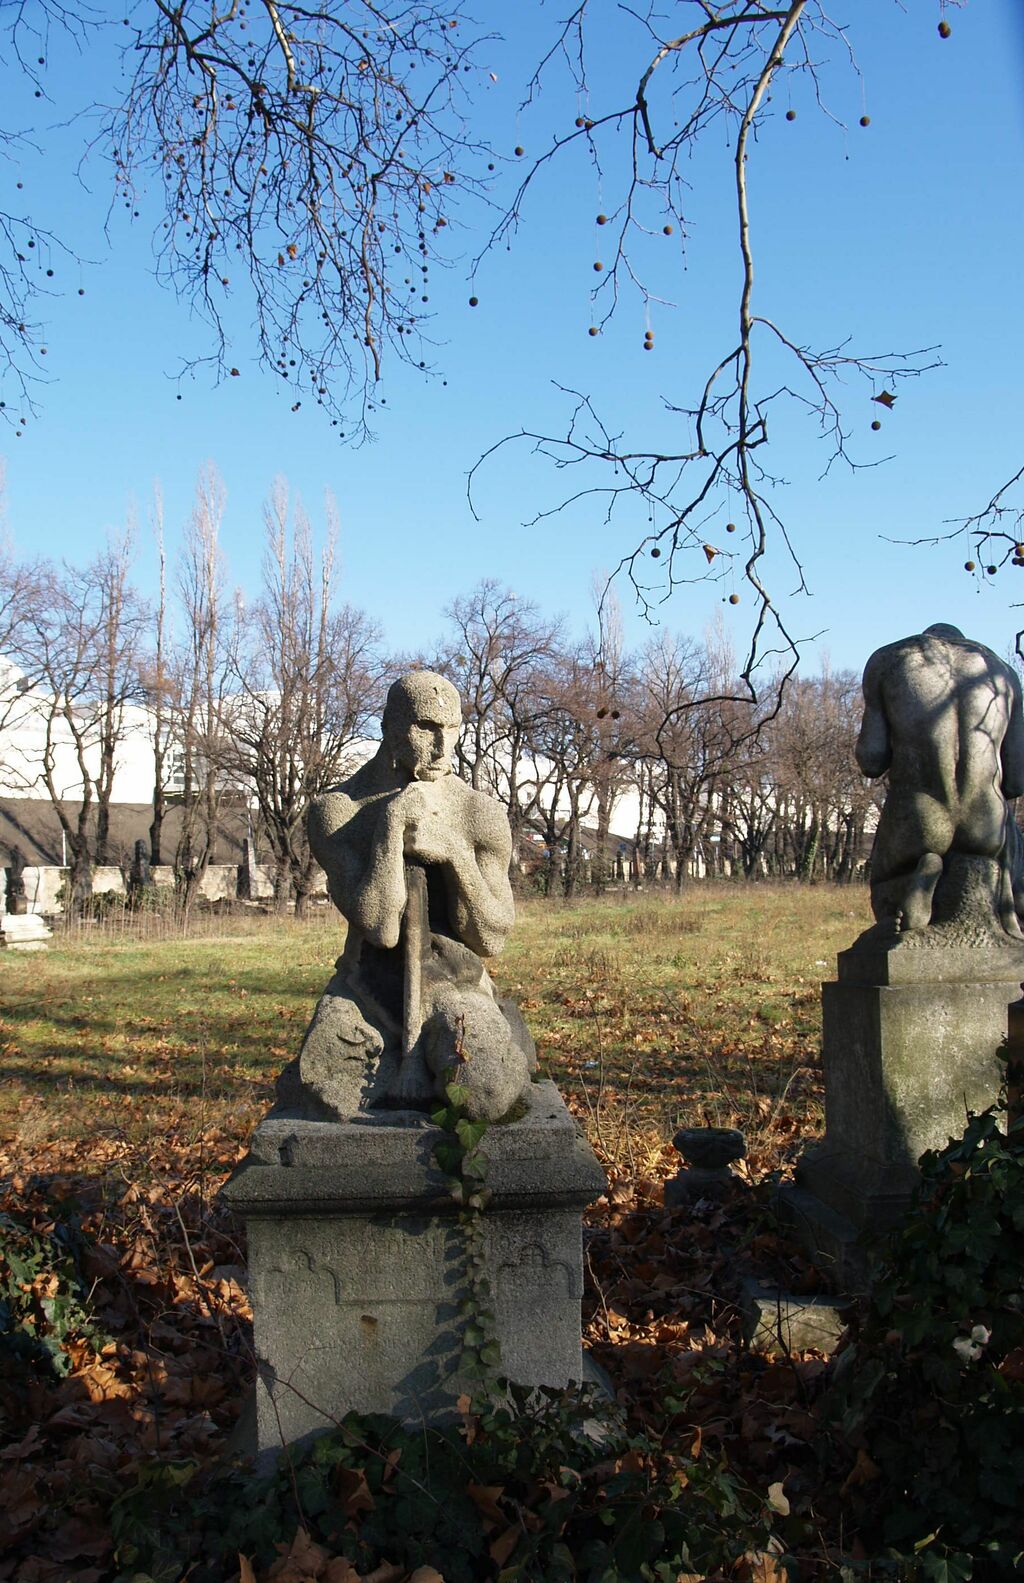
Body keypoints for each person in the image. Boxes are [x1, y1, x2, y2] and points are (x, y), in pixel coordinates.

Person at [288, 671, 532, 1121]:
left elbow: (492, 938)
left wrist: (456, 854)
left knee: (484, 1093)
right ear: (389, 728)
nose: (442, 747)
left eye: (451, 729)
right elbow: (380, 928)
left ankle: (498, 1031)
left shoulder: (479, 813)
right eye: (426, 728)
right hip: (367, 990)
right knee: (333, 1089)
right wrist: (390, 829)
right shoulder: (338, 811)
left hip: (456, 984)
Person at [856, 623, 1024, 934]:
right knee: (1011, 848)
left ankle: (907, 888)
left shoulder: (890, 660)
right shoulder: (1002, 672)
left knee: (884, 882)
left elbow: (871, 760)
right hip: (986, 822)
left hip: (921, 818)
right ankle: (1007, 904)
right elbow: (1016, 781)